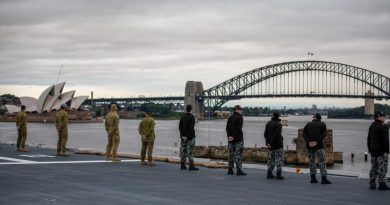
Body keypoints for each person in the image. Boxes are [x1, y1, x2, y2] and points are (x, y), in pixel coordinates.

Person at [303, 113, 331, 184]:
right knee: (322, 161)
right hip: (319, 146)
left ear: (314, 118)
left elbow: (304, 134)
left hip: (309, 146)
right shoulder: (323, 124)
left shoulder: (308, 124)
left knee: (312, 161)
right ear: (320, 118)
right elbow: (323, 135)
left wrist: (309, 141)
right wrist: (316, 142)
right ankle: (324, 179)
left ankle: (313, 178)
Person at [367, 111, 389, 190]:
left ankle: (372, 183)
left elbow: (369, 138)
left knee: (374, 167)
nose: (384, 118)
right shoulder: (383, 127)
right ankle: (382, 183)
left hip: (373, 151)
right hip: (381, 152)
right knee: (382, 167)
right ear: (378, 117)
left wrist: (369, 149)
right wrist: (386, 151)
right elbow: (385, 140)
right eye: (383, 116)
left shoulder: (372, 126)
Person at [226, 105, 246, 176]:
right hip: (238, 139)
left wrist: (229, 136)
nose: (241, 110)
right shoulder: (240, 117)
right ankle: (239, 170)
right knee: (238, 154)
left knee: (231, 154)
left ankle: (230, 169)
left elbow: (227, 128)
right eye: (240, 109)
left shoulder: (230, 117)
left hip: (230, 139)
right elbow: (238, 128)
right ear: (236, 109)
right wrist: (233, 136)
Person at [264, 111, 284, 179]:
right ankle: (278, 174)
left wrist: (268, 143)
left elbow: (265, 134)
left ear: (272, 115)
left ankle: (269, 174)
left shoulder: (268, 123)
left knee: (270, 159)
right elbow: (277, 135)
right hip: (278, 144)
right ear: (278, 116)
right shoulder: (279, 124)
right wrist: (271, 142)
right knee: (279, 159)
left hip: (270, 145)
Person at [178, 104, 199, 171]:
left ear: (186, 109)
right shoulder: (192, 117)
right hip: (190, 137)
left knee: (183, 151)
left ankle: (182, 165)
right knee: (190, 151)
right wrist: (187, 136)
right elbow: (191, 128)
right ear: (191, 109)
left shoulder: (182, 117)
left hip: (183, 137)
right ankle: (191, 166)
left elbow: (180, 127)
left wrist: (182, 136)